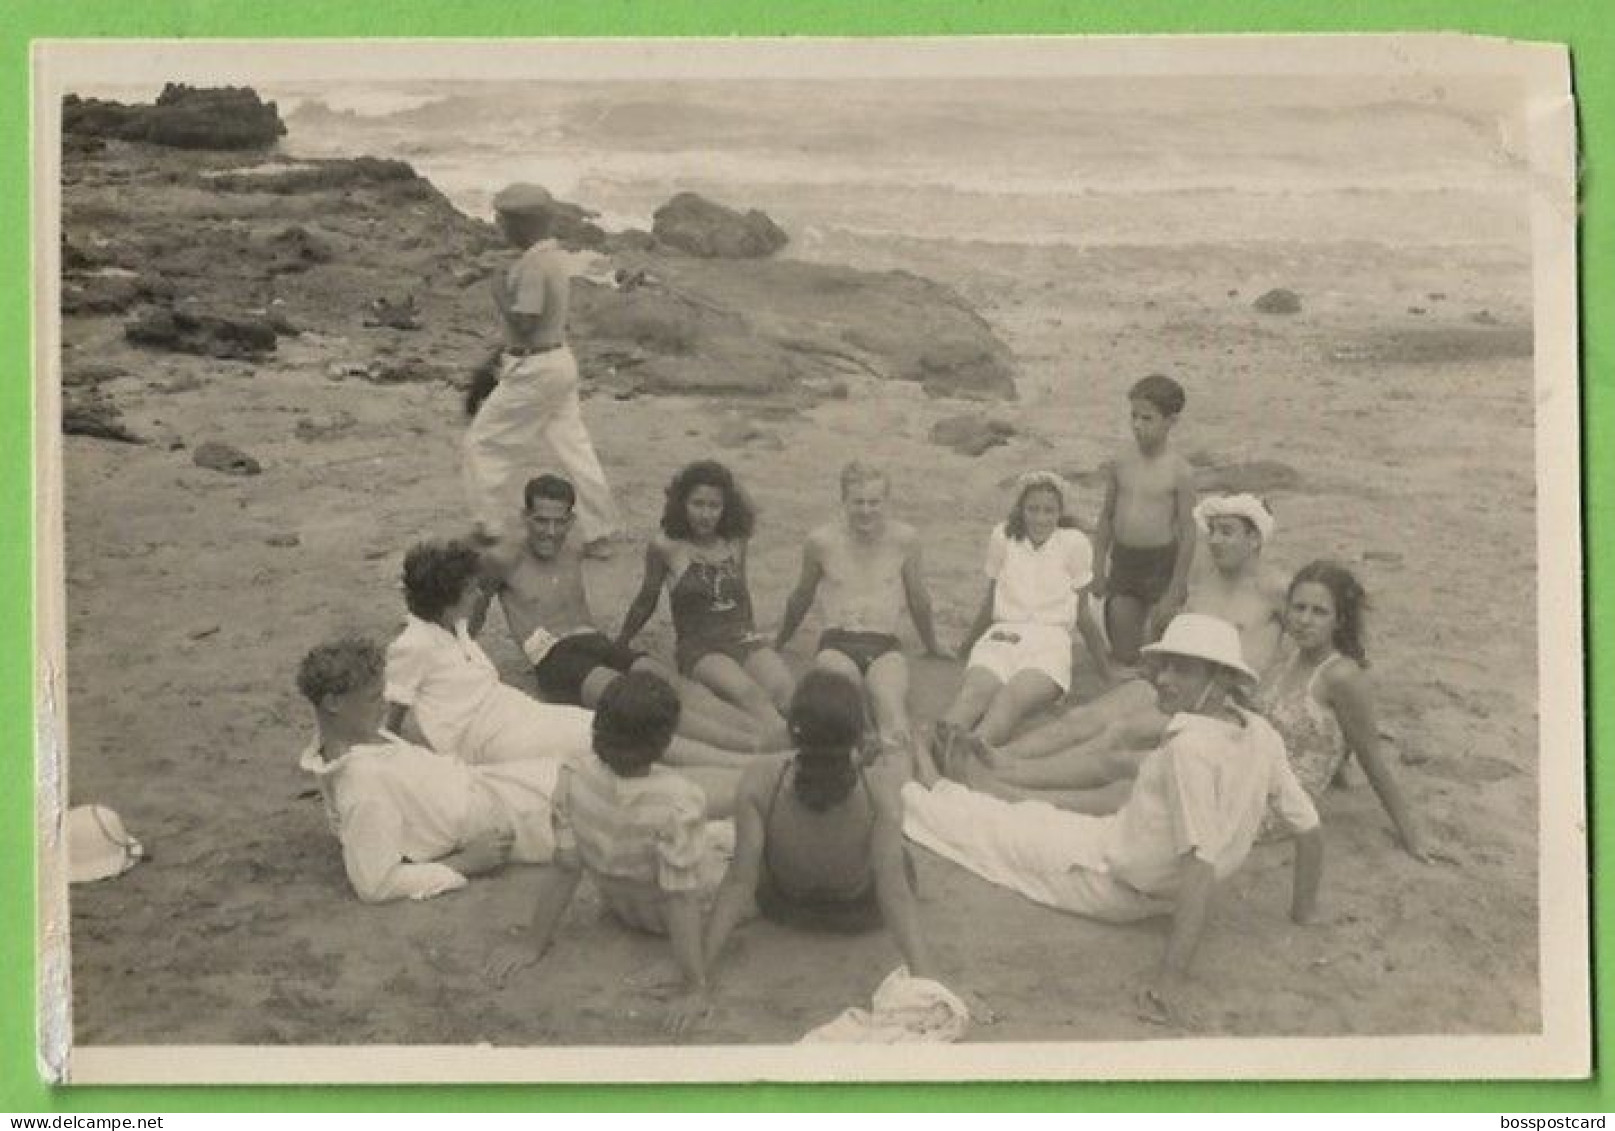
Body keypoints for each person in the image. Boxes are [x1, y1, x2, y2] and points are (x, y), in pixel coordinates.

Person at [902, 613, 1324, 1027]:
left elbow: (1199, 864)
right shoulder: (1259, 732)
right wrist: (1302, 916)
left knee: (984, 831)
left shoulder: (1191, 750)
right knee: (1028, 815)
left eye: (1183, 671)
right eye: (1164, 666)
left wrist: (1170, 981)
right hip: (1125, 851)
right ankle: (943, 775)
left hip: (1110, 880)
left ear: (1222, 681)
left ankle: (922, 771)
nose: (1163, 679)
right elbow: (1308, 828)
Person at [968, 493, 1287, 789]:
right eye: (1213, 531)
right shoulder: (1204, 579)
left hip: (1218, 701)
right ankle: (995, 757)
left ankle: (1015, 777)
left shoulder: (1276, 590)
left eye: (1227, 532)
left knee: (1121, 733)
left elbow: (1314, 646)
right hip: (1173, 679)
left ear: (1254, 539)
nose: (1215, 540)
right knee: (1083, 718)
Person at [484, 672, 729, 1035]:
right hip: (676, 915)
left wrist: (533, 943)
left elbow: (566, 868)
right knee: (747, 842)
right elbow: (681, 900)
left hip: (623, 906)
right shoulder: (679, 800)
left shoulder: (572, 775)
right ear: (664, 743)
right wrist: (695, 985)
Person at [388, 537, 750, 778]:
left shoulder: (456, 627)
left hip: (519, 714)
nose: (478, 594)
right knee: (618, 740)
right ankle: (743, 769)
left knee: (618, 736)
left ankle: (741, 764)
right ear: (447, 596)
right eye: (470, 589)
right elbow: (392, 717)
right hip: (493, 740)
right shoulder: (414, 644)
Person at [480, 473, 782, 756]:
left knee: (676, 686)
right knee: (641, 704)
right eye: (540, 521)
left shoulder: (573, 543)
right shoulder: (504, 559)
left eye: (559, 522)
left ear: (571, 520)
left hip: (597, 641)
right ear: (524, 517)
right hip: (555, 657)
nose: (550, 531)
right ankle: (750, 746)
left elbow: (743, 515)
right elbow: (474, 611)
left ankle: (771, 734)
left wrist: (623, 640)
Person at [296, 636, 568, 904]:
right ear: (333, 703)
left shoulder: (350, 738)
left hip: (491, 785)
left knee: (579, 770)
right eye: (373, 698)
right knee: (594, 800)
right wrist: (464, 863)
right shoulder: (361, 783)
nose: (385, 704)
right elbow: (376, 884)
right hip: (506, 818)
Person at [702, 671, 935, 978]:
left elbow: (739, 881)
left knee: (750, 852)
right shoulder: (880, 788)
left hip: (786, 906)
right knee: (898, 857)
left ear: (792, 731)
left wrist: (697, 972)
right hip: (859, 912)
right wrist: (926, 977)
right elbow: (894, 892)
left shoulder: (760, 779)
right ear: (857, 735)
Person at [462, 182, 620, 555]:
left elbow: (526, 323)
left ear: (519, 225)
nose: (499, 227)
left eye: (502, 221)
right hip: (559, 361)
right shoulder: (553, 257)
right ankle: (601, 533)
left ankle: (489, 526)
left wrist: (499, 292)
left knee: (482, 444)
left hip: (535, 367)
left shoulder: (533, 265)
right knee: (573, 447)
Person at [774, 462, 949, 758]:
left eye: (874, 502)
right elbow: (801, 596)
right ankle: (858, 775)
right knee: (849, 704)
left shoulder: (905, 540)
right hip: (837, 643)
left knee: (890, 708)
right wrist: (780, 639)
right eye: (858, 502)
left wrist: (933, 644)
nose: (866, 510)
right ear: (844, 500)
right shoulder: (821, 542)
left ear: (886, 502)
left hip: (885, 645)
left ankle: (900, 783)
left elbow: (919, 598)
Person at [933, 471, 1109, 755]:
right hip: (1002, 636)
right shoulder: (1003, 536)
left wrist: (1105, 670)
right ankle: (939, 748)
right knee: (973, 694)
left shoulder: (1074, 543)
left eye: (1049, 510)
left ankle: (973, 752)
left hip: (1050, 643)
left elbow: (1083, 614)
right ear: (1021, 509)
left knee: (1010, 699)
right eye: (1033, 509)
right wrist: (966, 647)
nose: (1040, 519)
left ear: (1060, 512)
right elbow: (990, 602)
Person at [1262, 561, 1428, 859]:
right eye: (1298, 608)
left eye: (1319, 612)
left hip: (1283, 803)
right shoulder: (1288, 656)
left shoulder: (1342, 676)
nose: (1305, 620)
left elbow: (1372, 758)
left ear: (1339, 621)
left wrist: (1412, 836)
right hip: (1257, 773)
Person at [617, 460, 795, 738]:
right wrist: (621, 641)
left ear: (726, 508)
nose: (705, 514)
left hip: (741, 637)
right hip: (700, 648)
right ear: (681, 504)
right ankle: (795, 752)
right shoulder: (666, 546)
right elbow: (646, 598)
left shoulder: (735, 541)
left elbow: (743, 593)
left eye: (715, 506)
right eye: (697, 504)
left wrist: (756, 639)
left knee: (785, 691)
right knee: (750, 696)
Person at [1091, 374, 1198, 664]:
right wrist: (1098, 564)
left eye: (1147, 418)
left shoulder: (1180, 471)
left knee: (1156, 656)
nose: (1137, 425)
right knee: (1124, 654)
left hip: (1160, 565)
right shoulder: (1121, 461)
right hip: (1125, 561)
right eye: (1134, 416)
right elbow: (1107, 516)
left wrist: (1176, 586)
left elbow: (1189, 533)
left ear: (1171, 421)